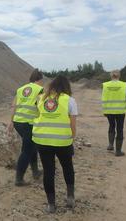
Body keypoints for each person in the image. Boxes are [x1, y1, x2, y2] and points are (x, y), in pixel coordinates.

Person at [32, 75, 77, 213]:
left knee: (48, 171)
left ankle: (51, 205)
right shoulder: (70, 100)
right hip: (63, 141)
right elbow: (73, 124)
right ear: (66, 87)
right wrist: (72, 138)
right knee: (67, 167)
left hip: (42, 140)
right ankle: (70, 198)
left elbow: (38, 116)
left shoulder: (41, 99)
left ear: (51, 86)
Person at [6, 68, 44, 186]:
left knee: (32, 146)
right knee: (27, 150)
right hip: (30, 123)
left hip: (18, 122)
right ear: (40, 79)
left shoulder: (21, 89)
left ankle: (35, 171)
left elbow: (14, 106)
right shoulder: (40, 90)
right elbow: (42, 107)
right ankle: (19, 179)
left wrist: (11, 122)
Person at [102, 70, 126, 156]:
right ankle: (118, 151)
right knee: (120, 129)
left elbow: (103, 98)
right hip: (120, 111)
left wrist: (104, 110)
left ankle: (111, 145)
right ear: (119, 76)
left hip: (109, 111)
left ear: (111, 76)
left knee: (111, 126)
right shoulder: (124, 85)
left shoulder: (105, 85)